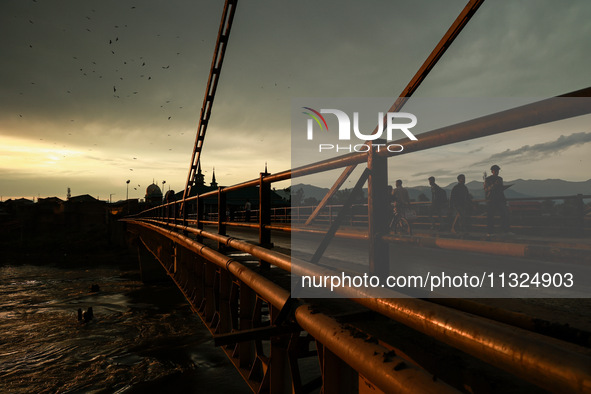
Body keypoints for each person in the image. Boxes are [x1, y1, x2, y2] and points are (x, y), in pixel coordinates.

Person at [484, 164, 510, 234]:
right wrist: (494, 185)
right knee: (490, 216)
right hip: (491, 200)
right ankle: (490, 232)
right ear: (492, 171)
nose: (497, 172)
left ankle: (505, 231)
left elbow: (500, 189)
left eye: (497, 171)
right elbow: (486, 189)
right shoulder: (488, 179)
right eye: (495, 171)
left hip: (500, 199)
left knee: (505, 214)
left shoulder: (500, 179)